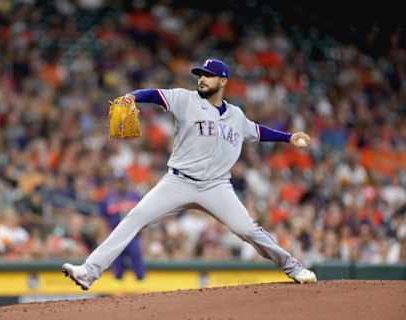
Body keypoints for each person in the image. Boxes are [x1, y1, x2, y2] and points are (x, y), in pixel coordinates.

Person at [62, 58, 317, 289]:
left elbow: (258, 132)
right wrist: (131, 96)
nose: (202, 79)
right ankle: (88, 272)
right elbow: (154, 95)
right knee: (134, 218)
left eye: (208, 75)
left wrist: (289, 137)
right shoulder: (185, 99)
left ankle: (294, 267)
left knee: (248, 230)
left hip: (217, 187)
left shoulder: (236, 116)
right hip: (178, 181)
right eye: (200, 75)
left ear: (223, 81)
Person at [98, 175, 145, 280]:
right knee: (117, 264)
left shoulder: (134, 196)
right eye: (118, 182)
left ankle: (141, 285)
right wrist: (103, 235)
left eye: (122, 181)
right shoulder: (108, 197)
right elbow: (102, 218)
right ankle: (118, 287)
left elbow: (143, 216)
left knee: (137, 259)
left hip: (132, 235)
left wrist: (143, 237)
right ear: (115, 183)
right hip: (114, 234)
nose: (121, 184)